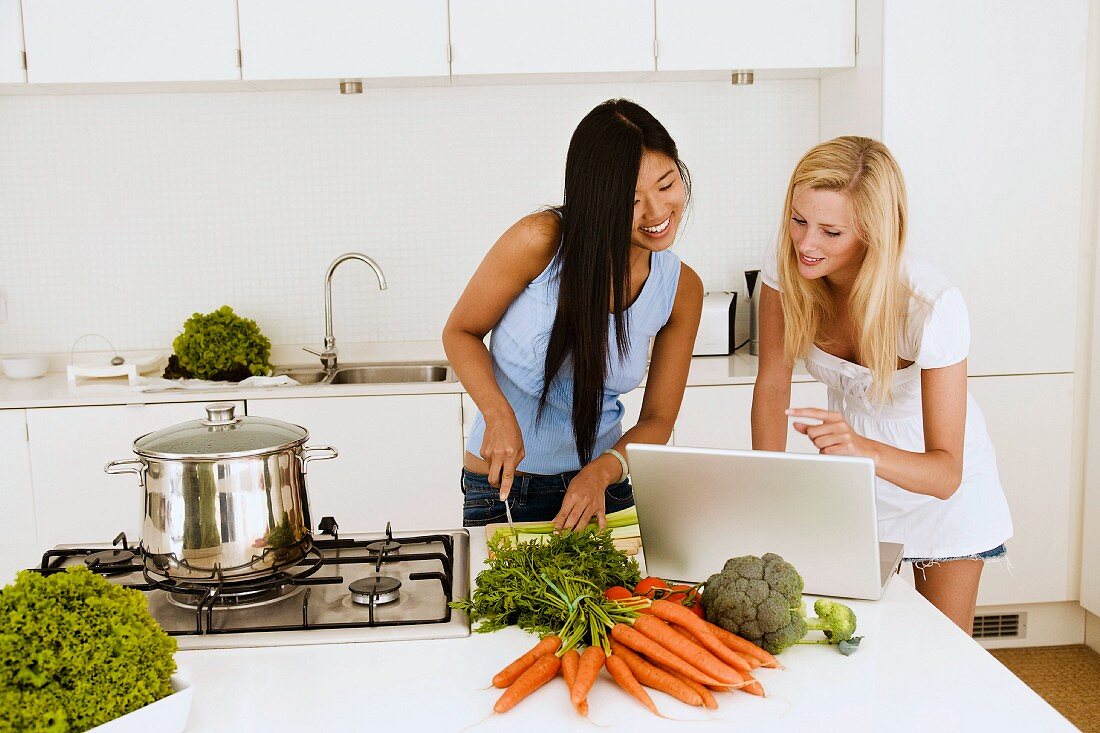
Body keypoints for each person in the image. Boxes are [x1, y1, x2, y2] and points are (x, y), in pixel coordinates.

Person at [751, 136, 1012, 632]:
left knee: (941, 660)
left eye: (831, 231)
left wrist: (859, 447)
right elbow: (771, 385)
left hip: (937, 491)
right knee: (860, 650)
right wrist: (770, 485)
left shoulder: (929, 305)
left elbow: (945, 474)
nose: (806, 244)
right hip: (855, 483)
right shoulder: (788, 270)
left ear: (872, 233)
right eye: (798, 220)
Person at [443, 99, 703, 532]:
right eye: (631, 199)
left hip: (603, 492)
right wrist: (498, 415)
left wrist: (600, 472)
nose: (657, 212)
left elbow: (659, 419)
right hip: (504, 489)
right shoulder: (540, 240)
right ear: (596, 198)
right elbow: (460, 332)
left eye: (667, 184)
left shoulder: (681, 289)